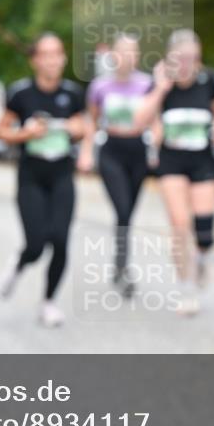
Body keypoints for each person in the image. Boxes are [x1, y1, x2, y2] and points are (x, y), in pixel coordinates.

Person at [0, 33, 86, 327]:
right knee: (36, 244)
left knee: (59, 239)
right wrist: (25, 134)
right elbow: (0, 131)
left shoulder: (72, 94)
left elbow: (84, 128)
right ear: (34, 61)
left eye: (57, 53)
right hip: (31, 176)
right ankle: (19, 264)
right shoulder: (21, 94)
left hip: (61, 175)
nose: (52, 60)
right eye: (45, 54)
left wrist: (76, 129)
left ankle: (48, 302)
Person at [135, 29, 214, 316]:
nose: (188, 64)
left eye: (193, 58)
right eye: (182, 58)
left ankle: (201, 258)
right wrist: (161, 88)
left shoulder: (208, 80)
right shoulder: (160, 84)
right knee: (179, 224)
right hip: (171, 162)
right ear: (170, 58)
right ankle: (185, 288)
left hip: (202, 160)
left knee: (204, 231)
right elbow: (139, 121)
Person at [78, 33, 153, 299]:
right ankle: (122, 267)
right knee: (122, 209)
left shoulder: (146, 84)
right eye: (123, 51)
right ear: (113, 55)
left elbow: (155, 119)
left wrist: (155, 147)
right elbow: (91, 120)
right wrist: (86, 152)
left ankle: (119, 264)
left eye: (133, 51)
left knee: (128, 214)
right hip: (111, 151)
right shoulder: (100, 87)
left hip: (138, 152)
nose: (128, 57)